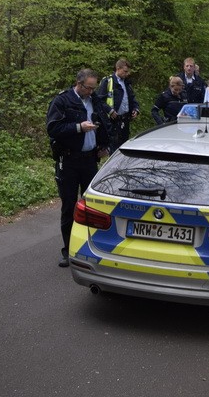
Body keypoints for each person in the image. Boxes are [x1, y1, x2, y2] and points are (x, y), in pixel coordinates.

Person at [47, 69, 112, 268]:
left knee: (92, 205)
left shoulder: (95, 100)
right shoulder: (62, 101)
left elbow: (106, 124)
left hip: (90, 160)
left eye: (93, 88)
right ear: (78, 83)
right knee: (69, 206)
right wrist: (78, 127)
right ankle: (68, 250)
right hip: (68, 161)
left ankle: (90, 248)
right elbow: (53, 129)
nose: (91, 92)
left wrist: (105, 146)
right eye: (88, 88)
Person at [97, 58, 140, 150]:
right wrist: (110, 111)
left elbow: (132, 99)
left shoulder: (127, 83)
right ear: (118, 68)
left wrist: (136, 109)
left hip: (125, 120)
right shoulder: (108, 81)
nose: (127, 73)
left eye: (128, 71)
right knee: (114, 147)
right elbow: (99, 100)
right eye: (125, 71)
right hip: (112, 120)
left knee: (124, 146)